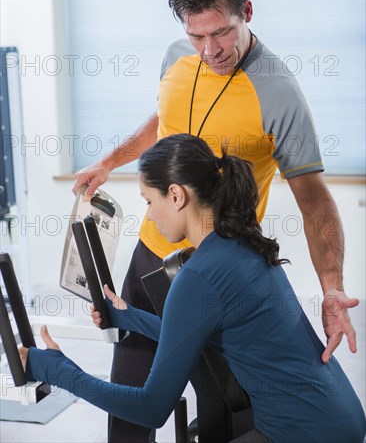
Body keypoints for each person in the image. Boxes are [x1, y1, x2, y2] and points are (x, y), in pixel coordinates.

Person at [72, 0, 359, 443]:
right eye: (197, 36)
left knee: (223, 410)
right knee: (129, 395)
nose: (210, 49)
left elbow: (315, 201)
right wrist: (110, 161)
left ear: (246, 11)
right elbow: (162, 122)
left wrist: (332, 289)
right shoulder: (176, 56)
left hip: (213, 272)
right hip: (150, 253)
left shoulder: (279, 92)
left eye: (221, 33)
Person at [21, 134, 366, 443]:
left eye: (148, 201)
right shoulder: (242, 242)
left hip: (303, 433)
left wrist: (55, 369)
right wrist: (129, 317)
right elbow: (195, 333)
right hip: (335, 417)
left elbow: (151, 408)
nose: (151, 216)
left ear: (175, 195)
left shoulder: (199, 274)